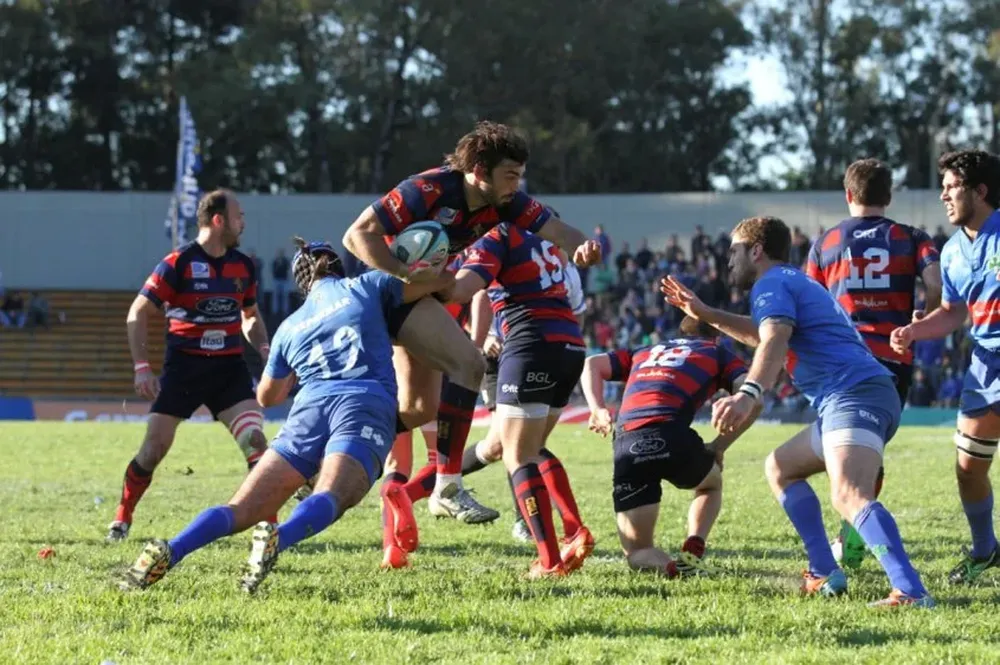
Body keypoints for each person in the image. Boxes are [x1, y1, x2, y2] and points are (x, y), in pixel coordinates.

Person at [119, 238, 455, 592]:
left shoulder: (290, 327)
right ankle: (280, 537)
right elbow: (440, 283)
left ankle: (171, 549)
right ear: (338, 267)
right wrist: (437, 266)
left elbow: (268, 396)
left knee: (240, 508)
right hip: (362, 403)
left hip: (307, 411)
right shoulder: (368, 284)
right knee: (334, 495)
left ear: (303, 285)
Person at [342, 122, 600, 542]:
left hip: (420, 297)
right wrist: (407, 272)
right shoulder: (426, 189)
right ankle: (446, 486)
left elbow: (559, 231)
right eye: (510, 175)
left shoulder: (507, 202)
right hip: (387, 292)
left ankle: (331, 453)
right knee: (469, 363)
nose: (517, 185)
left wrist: (583, 245)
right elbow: (355, 236)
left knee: (420, 407)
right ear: (479, 169)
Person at [663, 215, 933, 608]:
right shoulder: (792, 281)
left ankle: (910, 590)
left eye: (734, 251)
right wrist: (707, 314)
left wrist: (748, 393)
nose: (729, 261)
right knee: (780, 467)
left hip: (854, 394)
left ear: (756, 250)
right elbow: (764, 333)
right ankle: (824, 571)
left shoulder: (770, 283)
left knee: (849, 494)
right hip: (857, 393)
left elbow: (772, 338)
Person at [108, 190, 271, 543]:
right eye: (238, 215)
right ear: (218, 220)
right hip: (184, 369)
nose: (243, 222)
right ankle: (123, 516)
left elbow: (250, 316)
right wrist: (141, 366)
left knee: (256, 443)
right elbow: (138, 311)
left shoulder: (244, 266)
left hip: (229, 370)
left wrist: (262, 345)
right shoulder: (177, 263)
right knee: (153, 451)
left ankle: (266, 525)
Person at [805, 158, 942, 569]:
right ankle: (852, 533)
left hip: (843, 360)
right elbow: (935, 284)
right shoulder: (912, 237)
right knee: (871, 448)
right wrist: (922, 317)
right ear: (889, 195)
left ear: (848, 194)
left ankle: (850, 533)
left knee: (847, 452)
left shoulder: (825, 243)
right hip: (893, 358)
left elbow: (808, 300)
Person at [447, 222, 594, 578]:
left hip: (530, 344)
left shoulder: (493, 235)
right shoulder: (543, 243)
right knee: (533, 448)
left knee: (517, 455)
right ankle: (574, 530)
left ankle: (549, 561)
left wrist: (417, 281)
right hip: (570, 344)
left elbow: (470, 290)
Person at [891, 149, 1000, 585]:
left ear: (980, 191)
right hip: (984, 367)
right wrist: (915, 331)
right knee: (968, 468)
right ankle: (985, 552)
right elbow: (955, 312)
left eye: (952, 187)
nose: (944, 196)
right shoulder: (953, 251)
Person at [581, 316, 757, 577]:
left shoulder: (644, 352)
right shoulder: (717, 352)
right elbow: (754, 397)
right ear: (717, 336)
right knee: (710, 484)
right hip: (672, 434)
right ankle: (693, 549)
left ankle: (672, 568)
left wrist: (597, 409)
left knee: (638, 553)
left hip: (628, 441)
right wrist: (720, 445)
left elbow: (592, 363)